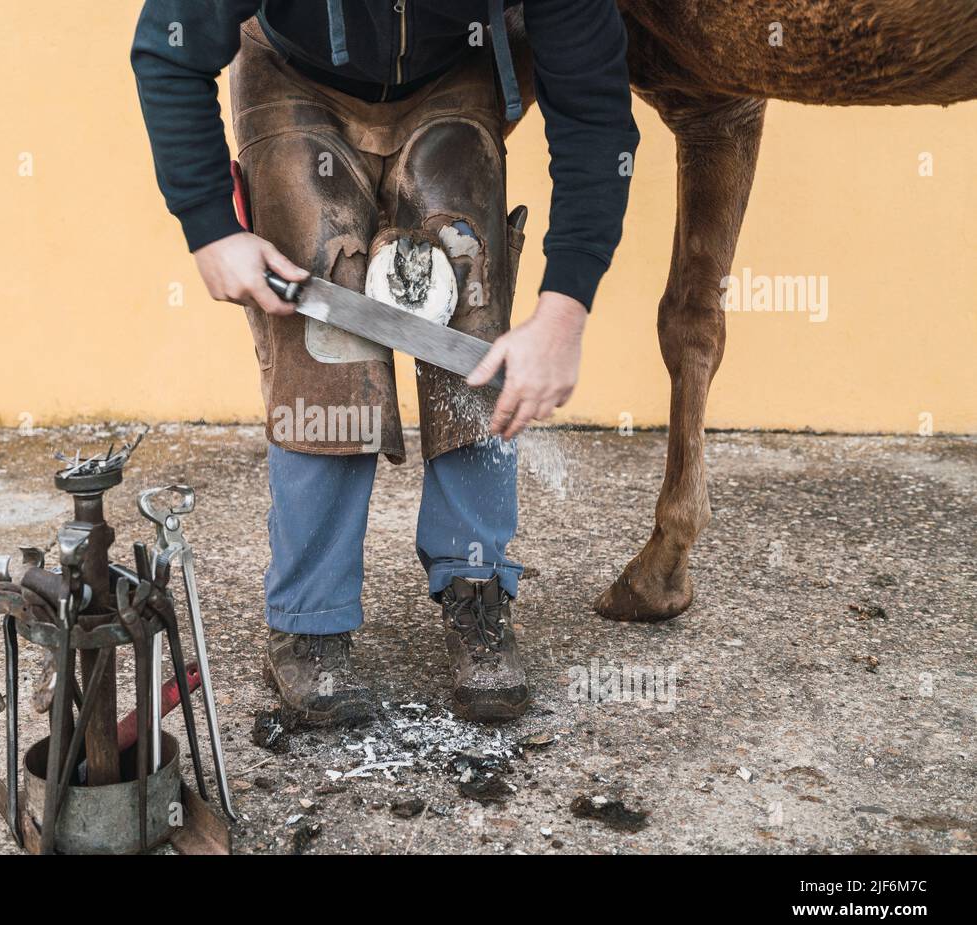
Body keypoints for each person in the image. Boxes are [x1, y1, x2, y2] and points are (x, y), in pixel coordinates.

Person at [131, 0, 638, 724]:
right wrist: (210, 227)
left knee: (468, 287)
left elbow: (595, 114)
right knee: (326, 332)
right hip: (292, 73)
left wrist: (565, 313)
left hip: (452, 75)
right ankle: (309, 623)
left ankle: (477, 588)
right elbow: (168, 48)